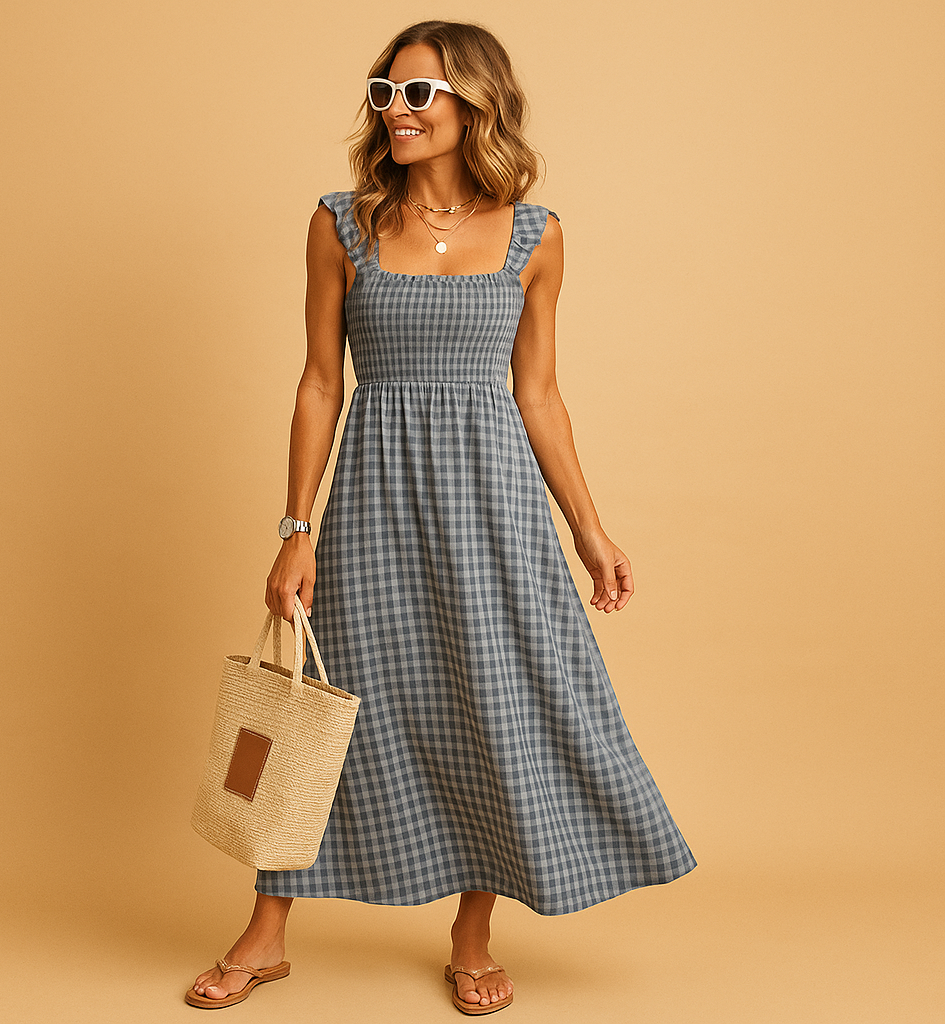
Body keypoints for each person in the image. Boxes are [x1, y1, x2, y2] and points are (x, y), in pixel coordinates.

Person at [187, 19, 696, 1015]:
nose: (397, 110)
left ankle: (472, 932)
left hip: (496, 510)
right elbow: (320, 383)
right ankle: (267, 928)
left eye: (418, 92)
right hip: (374, 503)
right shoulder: (340, 224)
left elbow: (538, 394)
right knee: (328, 709)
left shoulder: (536, 235)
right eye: (386, 92)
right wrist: (295, 529)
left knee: (490, 706)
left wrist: (590, 531)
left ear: (475, 102)